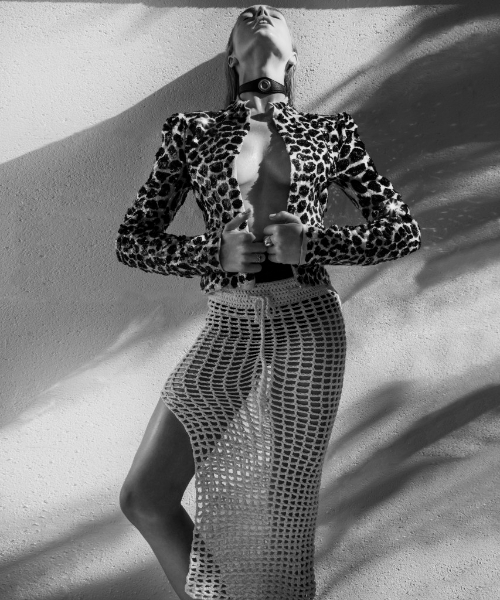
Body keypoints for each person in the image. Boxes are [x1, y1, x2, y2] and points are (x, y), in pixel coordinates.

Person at [115, 5, 422, 600]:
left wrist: (316, 242)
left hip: (308, 324)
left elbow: (400, 231)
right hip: (229, 324)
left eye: (274, 15)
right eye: (247, 16)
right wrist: (213, 252)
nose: (260, 11)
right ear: (231, 57)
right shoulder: (191, 131)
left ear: (294, 56)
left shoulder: (333, 132)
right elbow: (133, 239)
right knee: (145, 496)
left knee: (285, 518)